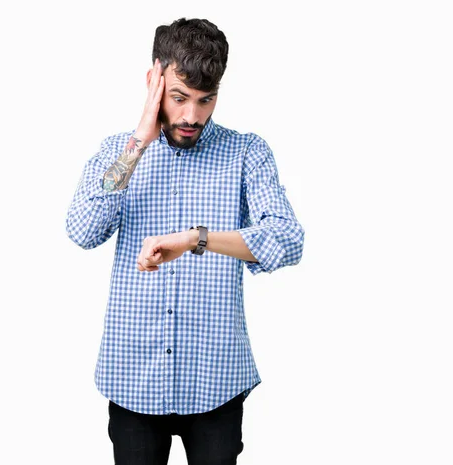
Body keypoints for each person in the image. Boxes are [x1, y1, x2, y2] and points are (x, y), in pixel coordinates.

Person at [65, 17, 304, 465]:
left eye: (205, 99)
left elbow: (286, 239)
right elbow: (82, 229)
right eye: (178, 98)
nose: (192, 116)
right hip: (134, 378)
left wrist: (198, 239)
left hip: (215, 380)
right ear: (155, 81)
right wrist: (139, 142)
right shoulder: (121, 152)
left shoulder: (246, 152)